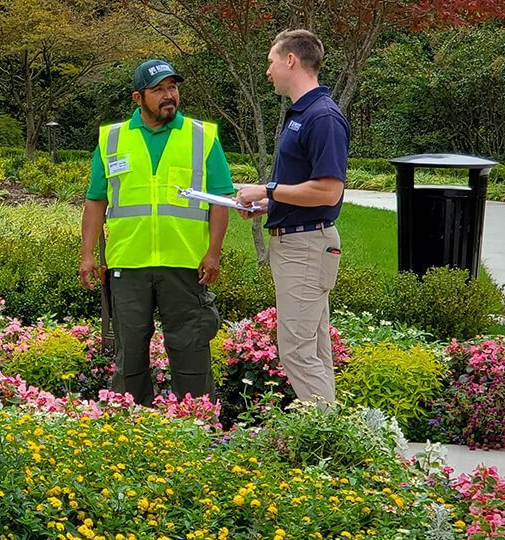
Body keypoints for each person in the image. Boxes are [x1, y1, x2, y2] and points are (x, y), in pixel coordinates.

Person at [79, 59, 234, 406]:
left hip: (185, 263)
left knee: (191, 349)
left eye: (173, 88)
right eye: (159, 90)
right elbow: (95, 201)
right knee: (129, 353)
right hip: (128, 264)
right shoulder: (111, 139)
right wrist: (87, 255)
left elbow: (220, 200)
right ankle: (133, 428)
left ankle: (196, 426)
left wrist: (214, 252)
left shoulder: (202, 137)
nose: (169, 96)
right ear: (138, 97)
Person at [235, 30, 350, 403]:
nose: (267, 71)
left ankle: (327, 445)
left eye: (270, 61)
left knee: (298, 353)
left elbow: (329, 191)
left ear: (290, 60)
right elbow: (308, 189)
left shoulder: (322, 117)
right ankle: (333, 441)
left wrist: (267, 191)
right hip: (299, 240)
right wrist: (269, 204)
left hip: (305, 246)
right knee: (314, 350)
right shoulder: (303, 113)